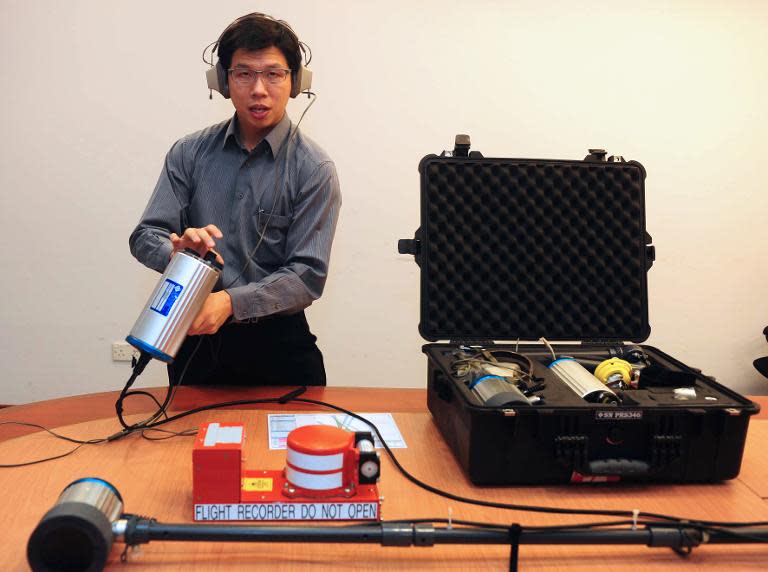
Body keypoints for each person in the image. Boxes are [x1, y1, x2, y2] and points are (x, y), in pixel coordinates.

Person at [129, 13, 341, 386]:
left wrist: (230, 302)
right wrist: (177, 255)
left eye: (273, 74)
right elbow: (146, 235)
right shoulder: (188, 153)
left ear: (295, 82)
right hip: (195, 344)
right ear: (224, 82)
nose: (259, 89)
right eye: (244, 74)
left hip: (280, 350)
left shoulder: (314, 168)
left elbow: (306, 276)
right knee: (185, 444)